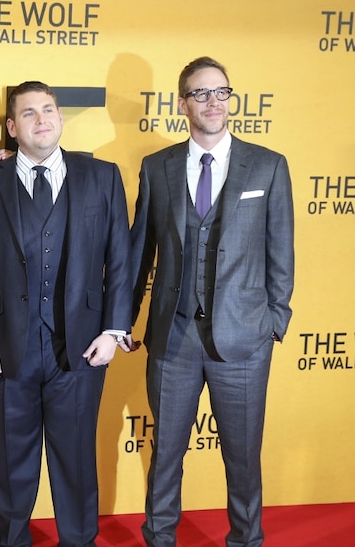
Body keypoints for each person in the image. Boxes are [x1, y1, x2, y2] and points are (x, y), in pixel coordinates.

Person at [0, 80, 132, 547]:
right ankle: (11, 540)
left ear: (60, 118)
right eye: (28, 113)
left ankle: (80, 540)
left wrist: (113, 331)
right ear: (12, 127)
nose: (41, 119)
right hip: (4, 349)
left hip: (82, 347)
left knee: (75, 458)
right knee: (12, 462)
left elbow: (121, 258)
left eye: (48, 110)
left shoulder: (102, 177)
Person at [126, 56, 294, 547]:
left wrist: (274, 323)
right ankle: (159, 538)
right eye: (201, 94)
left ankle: (245, 540)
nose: (213, 102)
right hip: (172, 342)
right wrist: (124, 321)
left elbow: (280, 252)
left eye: (222, 92)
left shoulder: (268, 165)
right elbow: (140, 254)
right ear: (183, 103)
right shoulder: (156, 167)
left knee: (243, 458)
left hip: (244, 342)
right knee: (165, 457)